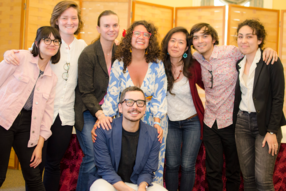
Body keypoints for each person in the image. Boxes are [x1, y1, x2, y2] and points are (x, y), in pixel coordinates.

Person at [3, 1, 87, 190]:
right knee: (34, 164)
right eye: (64, 18)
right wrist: (8, 53)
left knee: (53, 164)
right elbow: (26, 56)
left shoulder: (82, 46)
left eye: (74, 18)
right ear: (56, 20)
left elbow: (100, 56)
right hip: (38, 112)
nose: (69, 22)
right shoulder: (49, 42)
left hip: (64, 114)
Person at [189, 23, 278, 191]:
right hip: (210, 122)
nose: (200, 41)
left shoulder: (231, 52)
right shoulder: (196, 57)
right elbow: (182, 55)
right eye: (195, 37)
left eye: (205, 36)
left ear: (214, 39)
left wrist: (268, 49)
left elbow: (252, 51)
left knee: (233, 170)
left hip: (232, 121)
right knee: (213, 170)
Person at [92, 20, 167, 185]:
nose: (141, 37)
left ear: (150, 38)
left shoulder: (157, 63)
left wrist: (157, 122)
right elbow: (112, 93)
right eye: (137, 33)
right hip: (126, 118)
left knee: (151, 165)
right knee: (122, 159)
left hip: (154, 121)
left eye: (145, 34)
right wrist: (104, 119)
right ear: (129, 37)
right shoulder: (120, 62)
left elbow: (160, 94)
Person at [0, 26, 60, 191]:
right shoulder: (19, 58)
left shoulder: (52, 78)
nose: (51, 44)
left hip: (28, 124)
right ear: (37, 43)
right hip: (3, 119)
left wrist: (39, 145)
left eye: (55, 41)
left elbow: (47, 115)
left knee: (34, 176)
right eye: (46, 40)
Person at [233, 19, 285, 191]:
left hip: (265, 124)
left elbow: (278, 98)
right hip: (242, 124)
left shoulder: (271, 61)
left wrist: (272, 131)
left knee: (263, 180)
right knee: (247, 179)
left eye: (249, 36)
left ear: (260, 40)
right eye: (240, 36)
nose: (244, 41)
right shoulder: (238, 64)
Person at [89, 86, 167, 191]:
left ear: (144, 108)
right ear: (120, 107)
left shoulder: (154, 134)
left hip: (137, 184)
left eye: (140, 102)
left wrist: (142, 188)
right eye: (129, 102)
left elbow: (148, 171)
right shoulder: (103, 130)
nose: (135, 107)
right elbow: (105, 169)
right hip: (109, 183)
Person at [75, 10, 119, 191]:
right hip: (88, 112)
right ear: (98, 28)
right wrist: (100, 115)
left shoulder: (121, 52)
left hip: (111, 113)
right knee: (92, 157)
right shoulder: (89, 54)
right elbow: (85, 92)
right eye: (106, 25)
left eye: (114, 25)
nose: (111, 29)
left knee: (110, 158)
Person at [161, 27, 204, 191]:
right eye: (173, 41)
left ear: (187, 47)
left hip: (192, 122)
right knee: (171, 164)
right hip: (170, 122)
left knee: (187, 165)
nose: (176, 45)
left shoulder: (194, 66)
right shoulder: (159, 65)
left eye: (181, 42)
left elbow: (210, 84)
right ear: (167, 43)